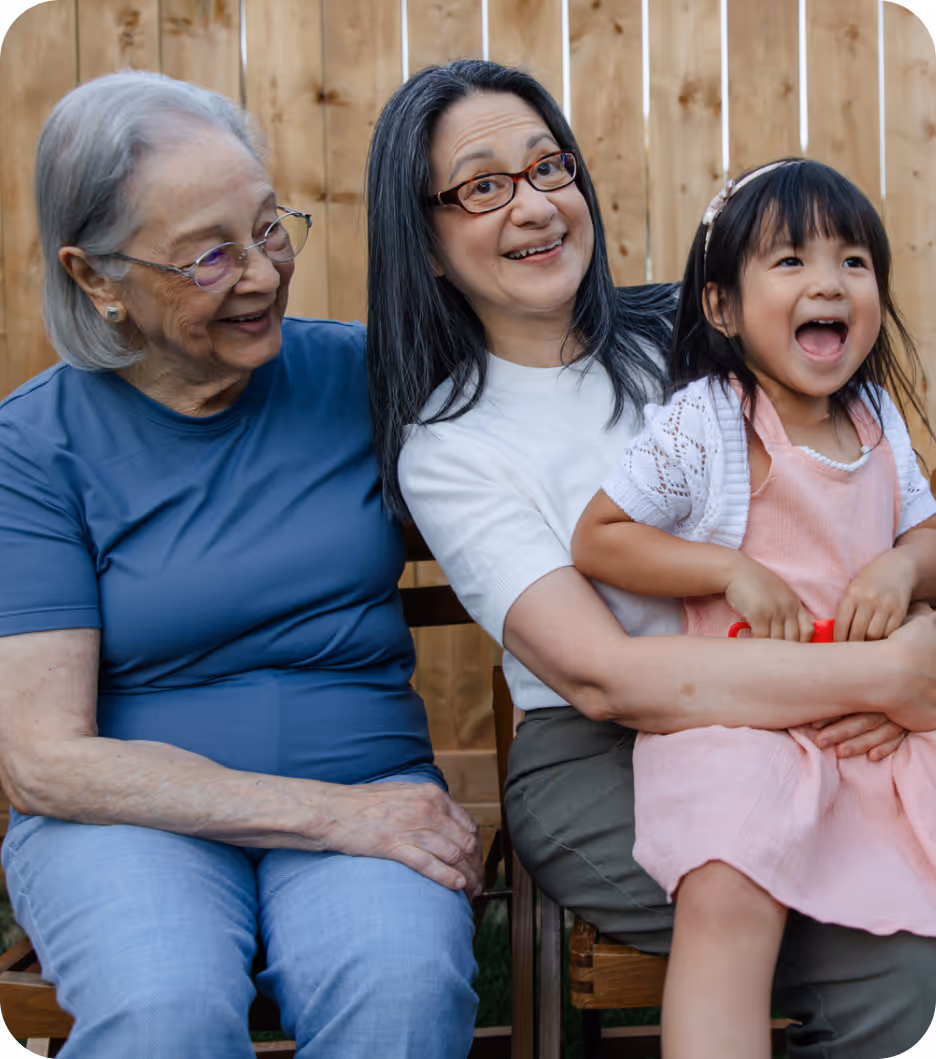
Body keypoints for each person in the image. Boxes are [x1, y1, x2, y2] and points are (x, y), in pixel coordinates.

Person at [365, 59, 936, 1058]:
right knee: (893, 967)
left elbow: (874, 509)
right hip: (606, 753)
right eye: (484, 185)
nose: (536, 206)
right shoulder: (455, 443)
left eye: (551, 168)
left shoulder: (697, 338)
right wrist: (888, 674)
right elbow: (603, 675)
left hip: (817, 690)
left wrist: (904, 640)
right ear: (428, 243)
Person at [0, 70, 479, 1059]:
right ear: (97, 278)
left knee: (403, 993)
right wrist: (325, 815)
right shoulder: (32, 450)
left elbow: (562, 410)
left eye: (268, 230)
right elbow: (42, 760)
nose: (262, 274)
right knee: (162, 1014)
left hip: (370, 785)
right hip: (128, 826)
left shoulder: (367, 378)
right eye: (209, 257)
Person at [571, 157, 936, 1059]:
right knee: (729, 886)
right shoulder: (710, 423)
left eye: (854, 261)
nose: (829, 281)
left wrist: (899, 566)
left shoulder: (877, 417)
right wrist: (725, 568)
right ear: (722, 309)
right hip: (744, 724)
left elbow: (931, 535)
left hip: (866, 717)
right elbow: (602, 537)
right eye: (790, 261)